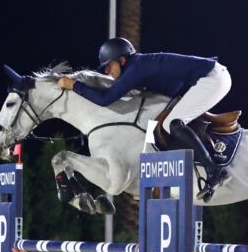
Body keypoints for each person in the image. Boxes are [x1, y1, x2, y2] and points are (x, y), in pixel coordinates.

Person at [58, 37, 232, 200]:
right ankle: (148, 182)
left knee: (173, 123)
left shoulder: (136, 68)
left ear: (122, 60)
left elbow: (105, 100)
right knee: (155, 126)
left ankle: (214, 171)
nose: (106, 71)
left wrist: (74, 86)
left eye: (109, 65)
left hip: (212, 79)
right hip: (202, 80)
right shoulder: (137, 66)